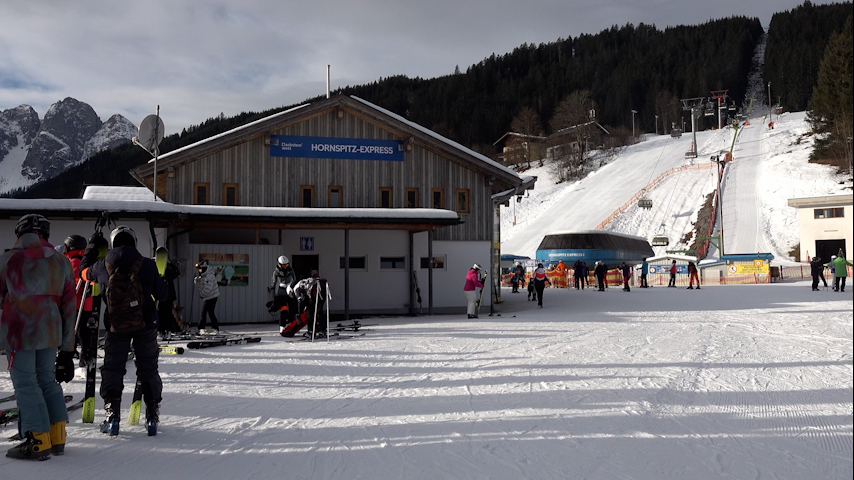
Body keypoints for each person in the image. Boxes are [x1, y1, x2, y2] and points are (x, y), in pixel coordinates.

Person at [1, 214, 76, 460]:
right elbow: (69, 308)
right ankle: (57, 437)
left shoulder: (8, 260)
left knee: (25, 384)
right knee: (46, 381)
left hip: (19, 333)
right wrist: (67, 347)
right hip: (51, 332)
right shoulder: (62, 262)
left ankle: (36, 441)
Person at [80, 225, 167, 437]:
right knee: (148, 367)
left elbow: (83, 274)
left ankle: (112, 417)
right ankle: (152, 417)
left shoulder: (102, 265)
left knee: (113, 367)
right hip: (145, 324)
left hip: (115, 325)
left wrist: (90, 250)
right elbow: (163, 295)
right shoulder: (147, 265)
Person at [268, 255, 297, 335]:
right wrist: (273, 296)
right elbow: (273, 284)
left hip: (290, 292)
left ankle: (293, 325)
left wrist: (295, 291)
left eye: (286, 265)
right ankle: (282, 326)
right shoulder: (276, 272)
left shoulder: (291, 270)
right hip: (281, 294)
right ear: (280, 264)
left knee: (292, 310)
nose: (285, 267)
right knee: (283, 310)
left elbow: (294, 280)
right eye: (283, 265)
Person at [194, 260, 220, 333]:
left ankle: (201, 328)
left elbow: (208, 288)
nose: (199, 270)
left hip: (211, 297)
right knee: (209, 312)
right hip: (210, 297)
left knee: (205, 312)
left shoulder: (209, 276)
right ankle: (214, 328)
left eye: (200, 269)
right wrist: (197, 280)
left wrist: (202, 294)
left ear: (204, 268)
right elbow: (202, 281)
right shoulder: (205, 275)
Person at [157, 260, 182, 334]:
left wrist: (170, 264)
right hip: (165, 295)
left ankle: (166, 329)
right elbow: (177, 272)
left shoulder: (167, 271)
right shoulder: (166, 271)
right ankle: (166, 329)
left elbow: (177, 273)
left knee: (164, 313)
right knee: (164, 313)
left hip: (165, 295)